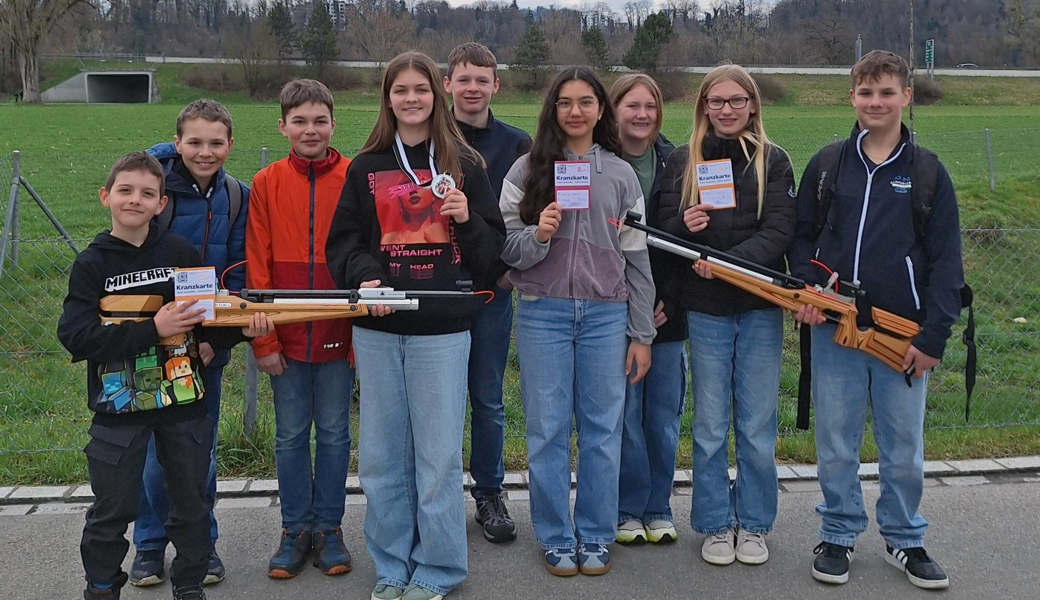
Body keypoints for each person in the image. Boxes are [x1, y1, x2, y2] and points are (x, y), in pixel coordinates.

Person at [326, 51, 504, 600]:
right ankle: (392, 564)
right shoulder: (366, 167)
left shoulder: (465, 164)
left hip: (442, 332)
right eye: (400, 90)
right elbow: (344, 244)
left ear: (437, 94)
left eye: (420, 89)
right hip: (378, 330)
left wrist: (466, 219)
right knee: (382, 457)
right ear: (388, 98)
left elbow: (492, 255)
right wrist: (368, 279)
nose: (411, 99)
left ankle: (440, 567)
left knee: (438, 457)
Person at [57, 152, 272, 600]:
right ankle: (101, 587)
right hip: (118, 408)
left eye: (147, 193)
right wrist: (153, 329)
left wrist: (244, 328)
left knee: (191, 505)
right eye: (125, 190)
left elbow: (207, 323)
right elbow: (76, 336)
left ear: (160, 203)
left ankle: (190, 584)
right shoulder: (92, 264)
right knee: (112, 510)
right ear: (105, 197)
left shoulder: (180, 254)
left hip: (183, 403)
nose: (135, 200)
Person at [790, 50, 963, 590]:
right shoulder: (827, 165)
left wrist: (933, 337)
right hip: (834, 331)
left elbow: (947, 263)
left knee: (903, 449)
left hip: (901, 337)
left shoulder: (928, 173)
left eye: (887, 92)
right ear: (852, 98)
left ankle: (904, 537)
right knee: (836, 442)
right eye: (866, 92)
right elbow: (802, 240)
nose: (876, 102)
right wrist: (807, 291)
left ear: (906, 96)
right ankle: (837, 532)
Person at [500, 67, 656, 577]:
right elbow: (507, 249)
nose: (575, 111)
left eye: (586, 102)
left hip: (606, 316)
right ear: (552, 109)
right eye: (565, 102)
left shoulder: (621, 175)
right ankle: (554, 535)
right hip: (542, 312)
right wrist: (539, 235)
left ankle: (594, 532)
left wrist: (641, 333)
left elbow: (638, 260)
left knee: (602, 430)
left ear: (600, 109)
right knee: (546, 430)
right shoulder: (526, 170)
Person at [658, 64, 795, 567]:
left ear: (753, 104)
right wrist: (685, 224)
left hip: (759, 306)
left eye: (737, 100)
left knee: (756, 426)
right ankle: (715, 523)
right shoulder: (682, 159)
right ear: (704, 106)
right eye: (716, 101)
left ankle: (754, 523)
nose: (727, 109)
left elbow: (779, 231)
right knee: (711, 425)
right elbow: (664, 231)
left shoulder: (773, 161)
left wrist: (728, 265)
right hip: (706, 309)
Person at [130, 98, 248, 588]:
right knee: (154, 452)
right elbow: (132, 267)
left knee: (200, 451)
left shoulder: (236, 197)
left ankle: (201, 544)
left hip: (207, 347)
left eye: (215, 143)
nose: (205, 152)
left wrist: (215, 337)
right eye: (194, 141)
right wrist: (163, 334)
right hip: (153, 343)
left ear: (229, 145)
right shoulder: (153, 191)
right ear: (177, 142)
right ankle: (150, 545)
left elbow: (236, 274)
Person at [245, 79, 355, 579]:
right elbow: (257, 264)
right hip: (284, 337)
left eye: (319, 121)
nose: (310, 130)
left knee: (334, 433)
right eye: (299, 121)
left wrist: (357, 338)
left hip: (339, 333)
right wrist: (263, 340)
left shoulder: (353, 176)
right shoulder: (266, 182)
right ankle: (293, 530)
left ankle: (329, 528)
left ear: (333, 124)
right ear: (282, 126)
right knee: (290, 435)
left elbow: (363, 258)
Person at [443, 41, 532, 544]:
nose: (472, 88)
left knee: (487, 398)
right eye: (464, 79)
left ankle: (490, 492)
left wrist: (508, 272)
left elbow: (530, 213)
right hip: (436, 288)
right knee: (440, 401)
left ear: (496, 85)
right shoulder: (428, 139)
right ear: (447, 84)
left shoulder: (517, 144)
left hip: (492, 292)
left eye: (482, 79)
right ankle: (436, 494)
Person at [608, 74, 685, 547]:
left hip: (667, 312)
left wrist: (669, 300)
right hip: (613, 309)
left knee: (661, 417)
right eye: (631, 105)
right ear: (613, 110)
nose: (642, 115)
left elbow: (692, 242)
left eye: (650, 106)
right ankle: (626, 508)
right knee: (625, 416)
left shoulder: (679, 164)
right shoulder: (597, 164)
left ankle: (658, 506)